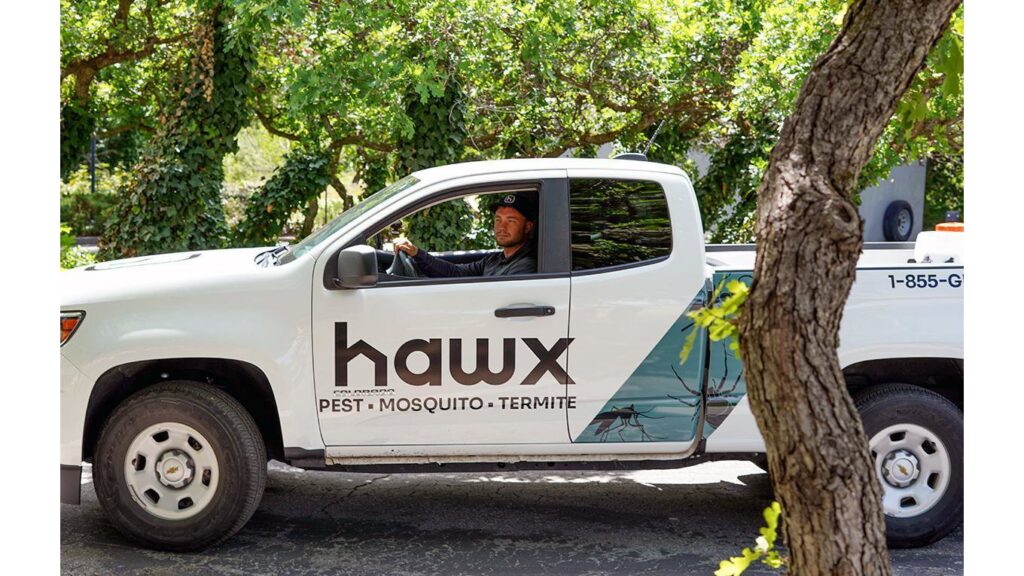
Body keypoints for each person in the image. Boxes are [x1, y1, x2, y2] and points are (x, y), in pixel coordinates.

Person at [393, 192, 537, 277]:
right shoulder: (496, 259)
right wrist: (416, 253)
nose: (501, 227)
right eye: (498, 219)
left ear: (528, 227)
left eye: (511, 221)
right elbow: (455, 272)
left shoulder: (525, 267)